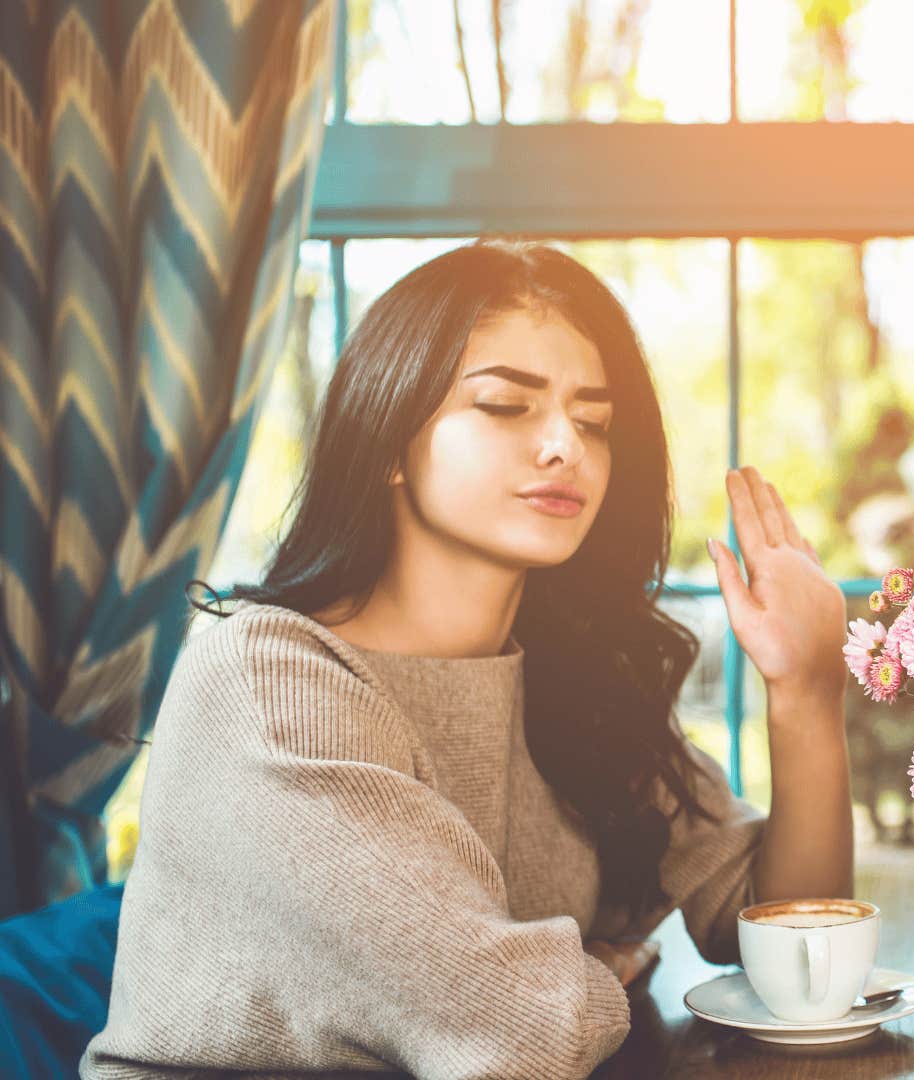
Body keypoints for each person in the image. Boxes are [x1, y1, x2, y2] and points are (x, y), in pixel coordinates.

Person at [83, 242, 854, 1078]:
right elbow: (518, 1029)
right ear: (386, 442)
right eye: (502, 405)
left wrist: (806, 692)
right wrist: (598, 977)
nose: (566, 446)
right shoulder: (269, 683)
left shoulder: (573, 681)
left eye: (594, 422)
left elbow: (788, 939)